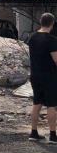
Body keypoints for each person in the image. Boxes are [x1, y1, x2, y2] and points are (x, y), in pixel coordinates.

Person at [28, 12, 57, 143]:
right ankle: (52, 135)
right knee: (52, 105)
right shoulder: (51, 40)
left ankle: (33, 133)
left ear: (41, 22)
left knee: (37, 103)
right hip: (50, 76)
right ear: (52, 23)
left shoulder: (32, 37)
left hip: (35, 75)